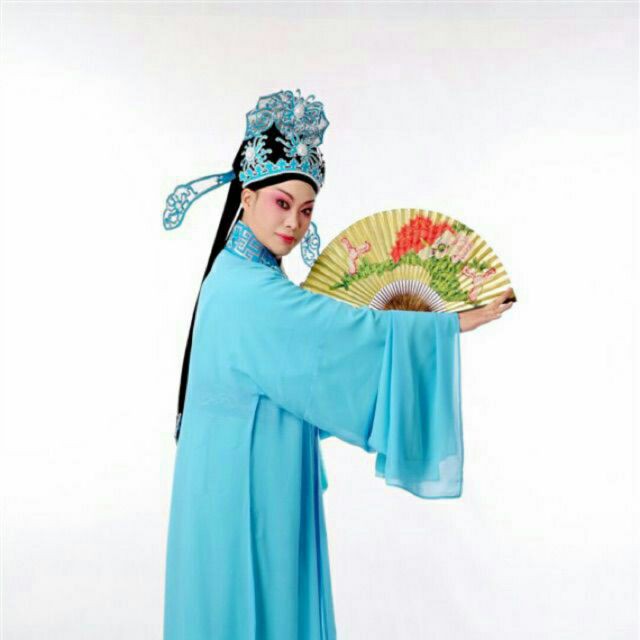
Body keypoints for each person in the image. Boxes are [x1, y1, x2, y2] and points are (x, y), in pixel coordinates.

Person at [161, 89, 514, 640]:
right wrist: (449, 325)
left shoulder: (241, 277)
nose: (294, 224)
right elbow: (345, 334)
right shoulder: (247, 291)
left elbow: (320, 344)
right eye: (282, 203)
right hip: (244, 488)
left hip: (231, 476)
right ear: (246, 197)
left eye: (306, 211)